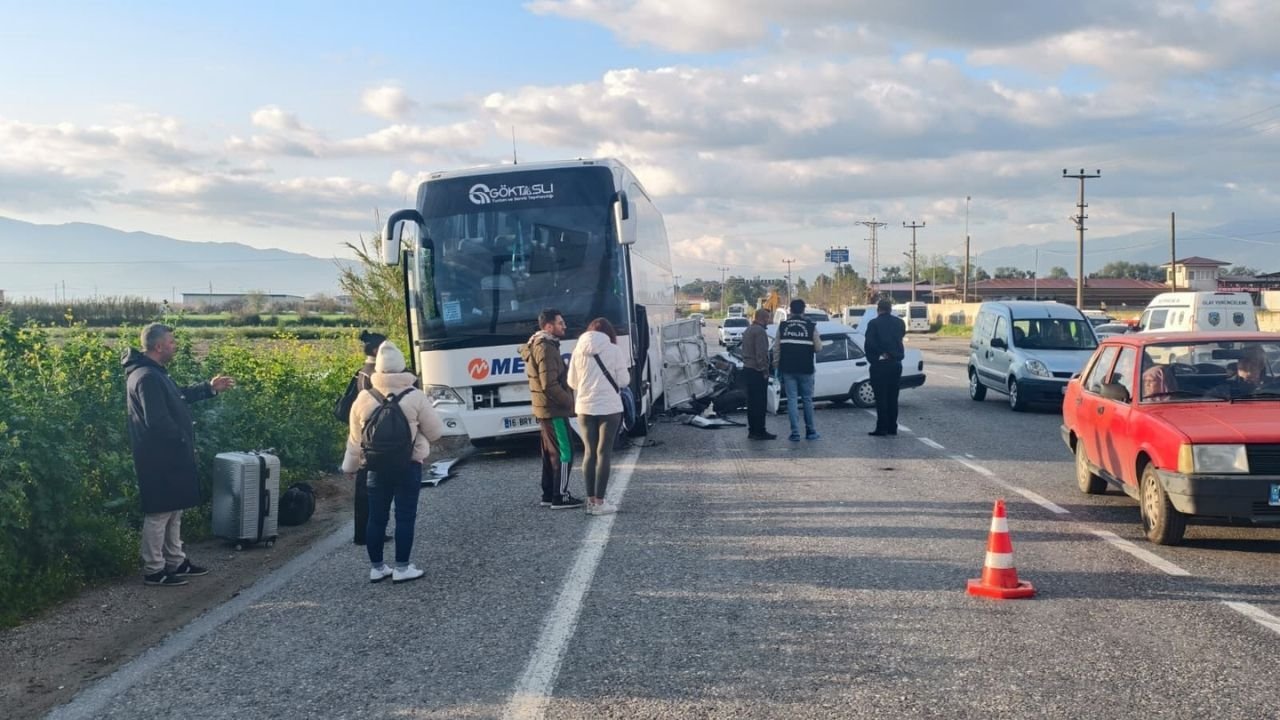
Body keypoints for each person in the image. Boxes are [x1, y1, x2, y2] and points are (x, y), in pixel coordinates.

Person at [123, 323, 236, 587]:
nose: (175, 346)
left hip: (170, 455)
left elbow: (179, 396)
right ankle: (154, 569)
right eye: (172, 342)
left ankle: (175, 561)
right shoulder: (146, 377)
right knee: (159, 512)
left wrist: (209, 388)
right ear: (159, 346)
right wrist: (183, 439)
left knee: (174, 510)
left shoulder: (155, 373)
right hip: (158, 457)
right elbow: (158, 421)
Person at [342, 341, 444, 584]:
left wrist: (350, 466)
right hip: (408, 465)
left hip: (375, 467)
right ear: (401, 367)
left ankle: (377, 568)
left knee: (376, 517)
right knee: (405, 516)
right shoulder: (415, 396)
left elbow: (355, 439)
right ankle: (402, 567)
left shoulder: (364, 398)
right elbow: (435, 432)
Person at [519, 308, 584, 509]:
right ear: (548, 326)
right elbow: (549, 384)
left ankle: (549, 494)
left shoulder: (539, 345)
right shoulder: (546, 348)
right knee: (565, 452)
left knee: (550, 453)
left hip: (545, 409)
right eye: (560, 323)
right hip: (553, 409)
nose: (564, 326)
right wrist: (570, 402)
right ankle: (560, 495)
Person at [567, 317, 630, 515]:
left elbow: (572, 382)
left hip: (584, 407)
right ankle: (600, 503)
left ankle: (589, 501)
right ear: (608, 333)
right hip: (609, 408)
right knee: (604, 453)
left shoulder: (578, 351)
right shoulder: (614, 350)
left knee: (589, 452)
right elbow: (623, 381)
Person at [334, 330, 390, 546]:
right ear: (377, 350)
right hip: (371, 439)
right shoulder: (374, 374)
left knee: (363, 490)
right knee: (371, 491)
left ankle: (362, 533)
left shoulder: (362, 371)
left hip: (362, 436)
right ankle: (368, 533)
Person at [772, 298, 822, 441]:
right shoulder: (811, 326)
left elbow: (776, 349)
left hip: (788, 369)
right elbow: (818, 348)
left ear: (790, 310)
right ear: (803, 310)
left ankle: (795, 433)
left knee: (792, 400)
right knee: (807, 400)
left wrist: (776, 367)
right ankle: (811, 431)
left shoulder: (783, 326)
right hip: (806, 368)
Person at [863, 298, 906, 436]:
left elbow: (869, 344)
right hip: (896, 364)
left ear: (878, 309)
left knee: (881, 397)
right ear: (890, 309)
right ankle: (892, 427)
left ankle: (882, 427)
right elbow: (901, 337)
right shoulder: (900, 322)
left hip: (880, 365)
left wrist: (880, 354)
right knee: (893, 397)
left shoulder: (874, 323)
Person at [740, 308, 776, 440]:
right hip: (757, 370)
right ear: (764, 318)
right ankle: (760, 431)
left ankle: (752, 430)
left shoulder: (748, 330)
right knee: (760, 403)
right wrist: (765, 371)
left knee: (752, 403)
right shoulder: (760, 332)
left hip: (747, 368)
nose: (769, 321)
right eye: (768, 318)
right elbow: (761, 354)